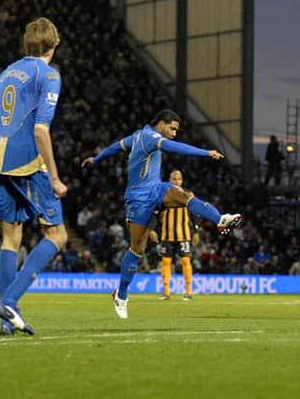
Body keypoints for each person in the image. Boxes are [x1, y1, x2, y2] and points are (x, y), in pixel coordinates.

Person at [82, 109, 241, 319]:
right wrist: (205, 153)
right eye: (172, 128)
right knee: (137, 250)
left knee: (185, 196)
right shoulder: (150, 137)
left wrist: (97, 158)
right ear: (161, 123)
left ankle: (220, 220)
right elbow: (176, 148)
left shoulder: (138, 135)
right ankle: (121, 294)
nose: (174, 133)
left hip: (157, 189)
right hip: (138, 198)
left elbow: (116, 147)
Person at [0, 17, 68, 336]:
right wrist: (54, 176)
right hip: (28, 163)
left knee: (11, 238)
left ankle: (6, 323)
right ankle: (9, 301)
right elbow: (40, 129)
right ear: (54, 45)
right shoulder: (49, 74)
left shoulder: (8, 72)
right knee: (57, 236)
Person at [150, 170, 200, 301]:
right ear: (169, 180)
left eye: (178, 179)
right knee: (166, 262)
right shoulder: (163, 195)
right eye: (174, 179)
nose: (176, 181)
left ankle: (189, 292)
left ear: (182, 180)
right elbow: (155, 213)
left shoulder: (188, 194)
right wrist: (152, 229)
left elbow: (195, 213)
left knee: (185, 260)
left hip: (184, 234)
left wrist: (196, 231)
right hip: (167, 235)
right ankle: (166, 293)